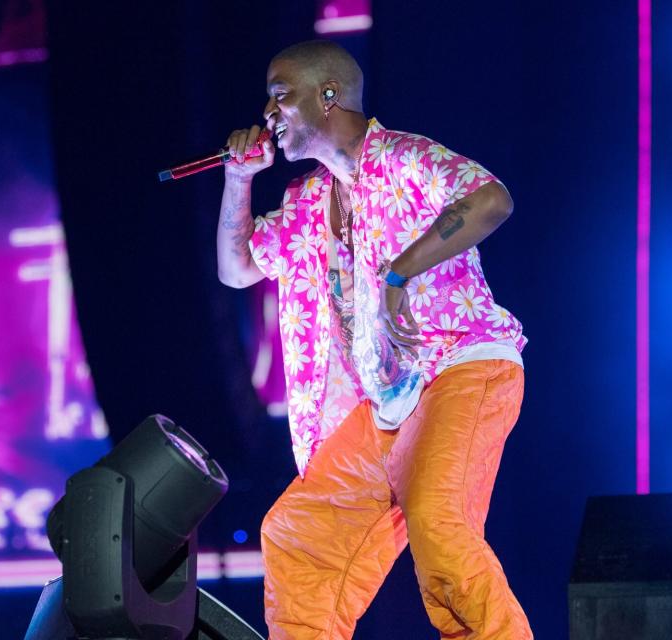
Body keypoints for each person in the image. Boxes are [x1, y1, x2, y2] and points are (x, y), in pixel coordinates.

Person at [216, 40, 531, 640]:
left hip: (458, 368)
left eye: (281, 96)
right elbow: (236, 270)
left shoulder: (405, 157)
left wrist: (399, 272)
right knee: (298, 536)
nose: (269, 113)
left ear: (327, 96)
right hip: (387, 404)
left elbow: (491, 198)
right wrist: (238, 179)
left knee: (439, 526)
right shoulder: (307, 201)